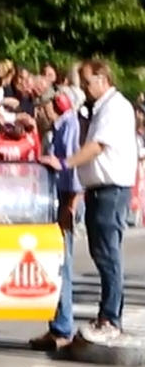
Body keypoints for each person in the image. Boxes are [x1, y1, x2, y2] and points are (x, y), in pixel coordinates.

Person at [40, 59, 137, 337]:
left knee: (108, 254)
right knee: (101, 252)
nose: (84, 87)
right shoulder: (99, 109)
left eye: (87, 82)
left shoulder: (115, 107)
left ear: (103, 79)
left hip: (111, 189)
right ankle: (107, 314)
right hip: (99, 188)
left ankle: (110, 316)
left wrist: (66, 163)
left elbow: (96, 146)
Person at [30, 92, 82, 350]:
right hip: (57, 198)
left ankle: (63, 328)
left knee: (63, 265)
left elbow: (73, 170)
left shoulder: (70, 127)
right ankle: (57, 326)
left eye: (41, 108)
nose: (38, 113)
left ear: (55, 105)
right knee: (56, 262)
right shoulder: (58, 129)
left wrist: (70, 207)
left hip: (65, 199)